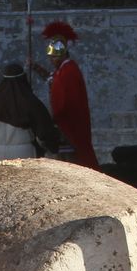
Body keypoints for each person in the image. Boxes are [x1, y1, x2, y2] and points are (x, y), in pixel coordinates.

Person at [0, 62, 61, 164]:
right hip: (25, 158)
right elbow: (44, 134)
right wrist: (52, 149)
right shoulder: (31, 103)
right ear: (23, 79)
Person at [41, 20, 97, 168]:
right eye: (51, 57)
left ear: (63, 55)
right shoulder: (63, 70)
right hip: (65, 123)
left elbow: (66, 99)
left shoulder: (69, 71)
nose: (52, 60)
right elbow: (52, 80)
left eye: (54, 57)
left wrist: (57, 117)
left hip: (70, 124)